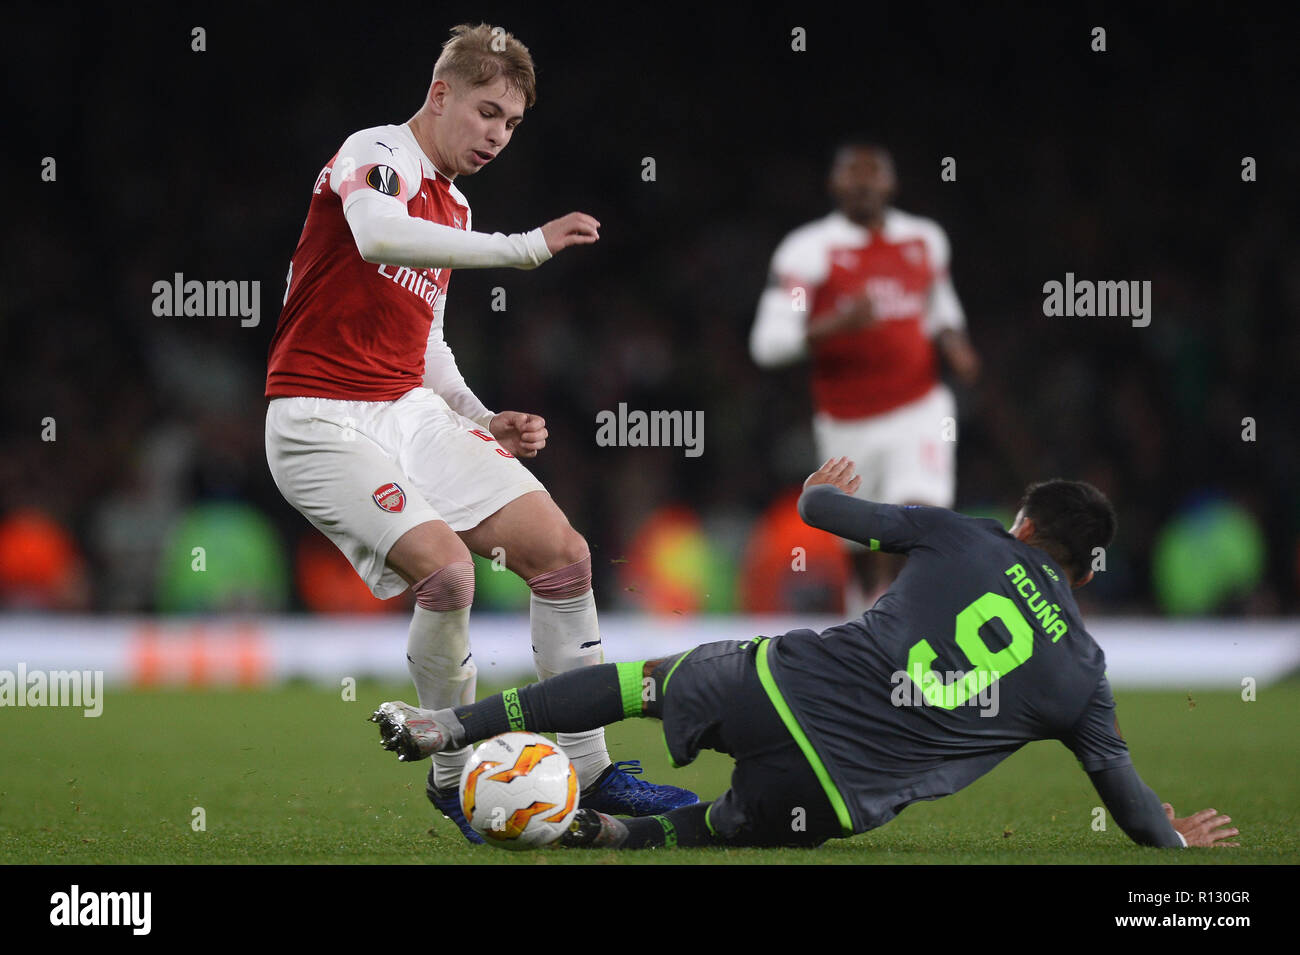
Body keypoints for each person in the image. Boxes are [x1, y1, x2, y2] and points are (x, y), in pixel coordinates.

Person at [264, 22, 696, 843]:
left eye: (513, 123)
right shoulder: (376, 153)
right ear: (441, 94)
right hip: (319, 416)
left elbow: (423, 337)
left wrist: (476, 413)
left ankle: (595, 770)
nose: (497, 133)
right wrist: (523, 247)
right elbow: (374, 234)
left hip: (410, 407)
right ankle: (453, 774)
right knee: (451, 576)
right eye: (488, 111)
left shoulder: (453, 202)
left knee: (562, 555)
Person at [372, 458, 1239, 851]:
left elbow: (824, 516)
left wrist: (820, 489)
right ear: (1085, 573)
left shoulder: (969, 537)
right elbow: (1127, 799)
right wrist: (1170, 837)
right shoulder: (1084, 676)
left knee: (642, 684)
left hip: (783, 687)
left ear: (1022, 526)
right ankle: (602, 831)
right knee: (724, 824)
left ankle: (448, 724)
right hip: (836, 793)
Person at [750, 142, 981, 608]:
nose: (862, 183)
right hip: (847, 420)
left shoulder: (924, 240)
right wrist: (835, 325)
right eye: (852, 175)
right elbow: (768, 343)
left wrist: (954, 340)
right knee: (860, 545)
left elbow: (939, 304)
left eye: (872, 174)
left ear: (891, 183)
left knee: (918, 516)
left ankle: (911, 627)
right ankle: (870, 623)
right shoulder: (808, 251)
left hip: (920, 407)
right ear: (834, 184)